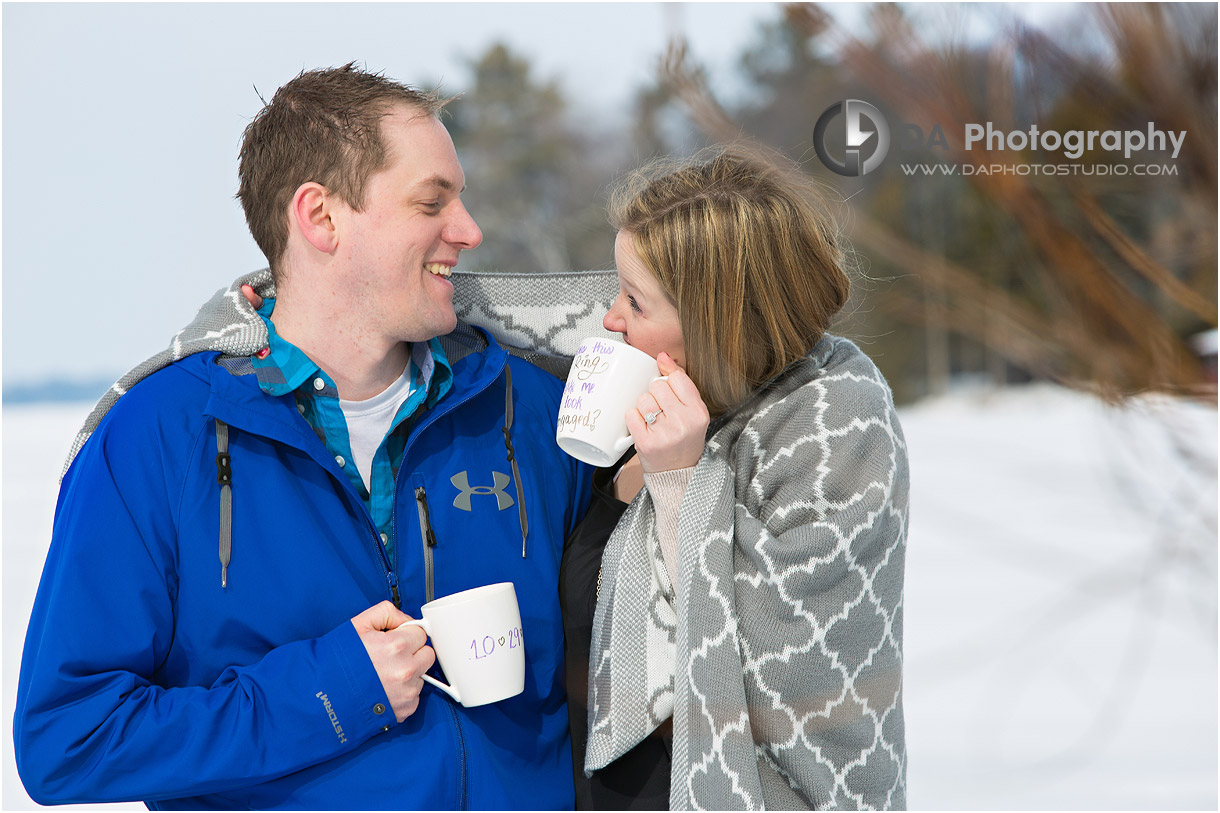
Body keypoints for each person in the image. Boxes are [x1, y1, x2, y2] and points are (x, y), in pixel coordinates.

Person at [14, 64, 592, 809]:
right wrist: (333, 690)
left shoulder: (533, 411)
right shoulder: (157, 437)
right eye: (432, 202)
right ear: (320, 217)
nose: (469, 231)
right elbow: (68, 738)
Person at [561, 148, 909, 809]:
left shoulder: (835, 420)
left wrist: (682, 484)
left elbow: (792, 653)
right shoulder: (633, 408)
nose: (608, 317)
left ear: (712, 320)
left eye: (633, 300)